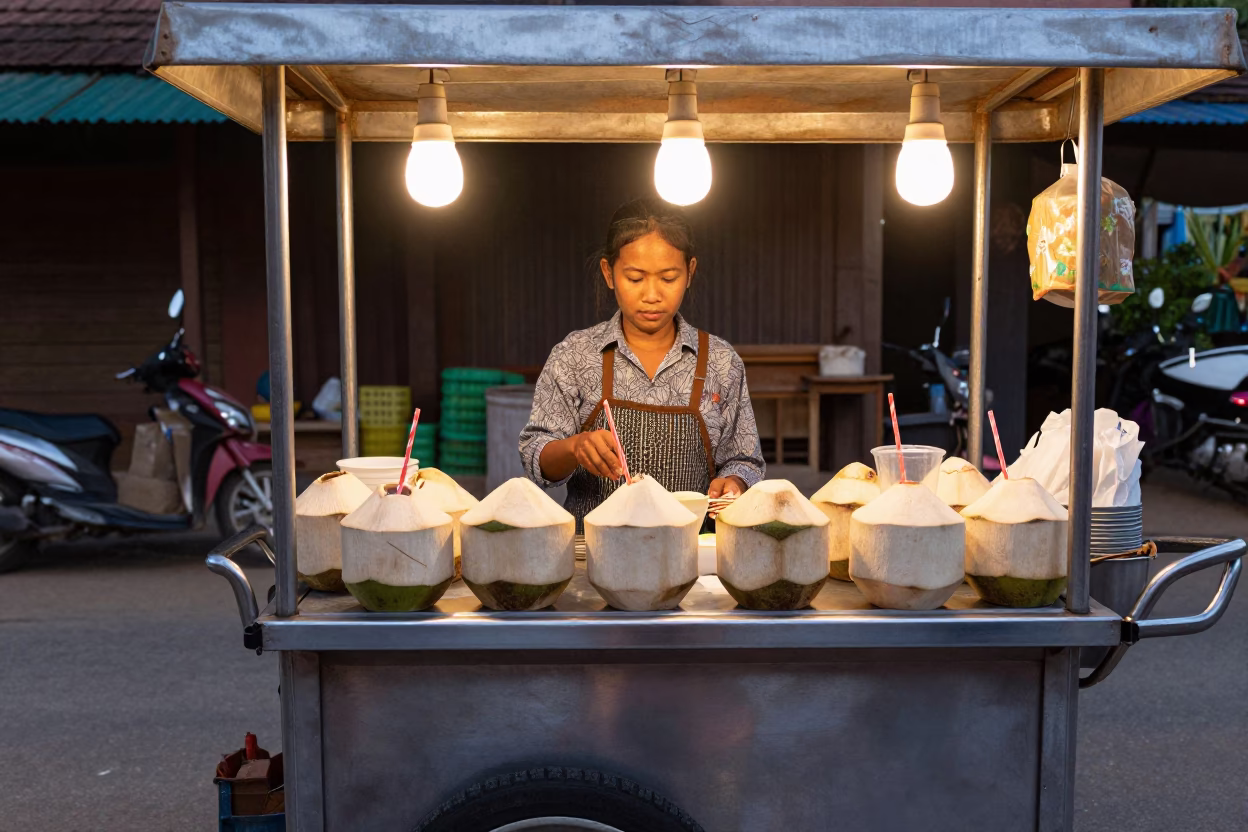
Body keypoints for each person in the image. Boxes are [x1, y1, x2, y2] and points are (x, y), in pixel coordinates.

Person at [519, 197, 765, 527]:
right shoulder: (575, 356)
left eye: (668, 278)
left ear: (690, 272)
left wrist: (733, 484)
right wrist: (574, 448)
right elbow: (537, 457)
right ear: (609, 272)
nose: (651, 294)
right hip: (592, 557)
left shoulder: (721, 361)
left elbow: (744, 459)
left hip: (692, 555)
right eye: (635, 278)